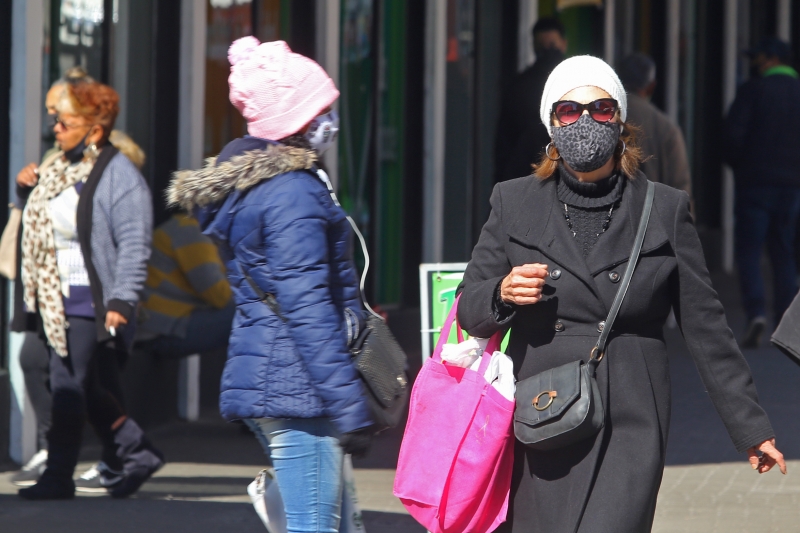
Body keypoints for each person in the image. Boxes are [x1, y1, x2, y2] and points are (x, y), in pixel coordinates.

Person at [458, 55, 785, 532]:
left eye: (602, 108)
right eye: (569, 110)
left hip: (630, 416)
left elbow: (707, 327)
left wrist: (750, 428)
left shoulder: (664, 209)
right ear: (551, 122)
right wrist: (503, 293)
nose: (586, 120)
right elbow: (469, 308)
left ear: (621, 120)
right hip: (541, 412)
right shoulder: (513, 201)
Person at [167, 37, 373, 532]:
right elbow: (306, 305)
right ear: (295, 121)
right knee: (316, 526)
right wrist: (348, 403)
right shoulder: (292, 194)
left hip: (281, 377)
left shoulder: (272, 186)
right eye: (321, 110)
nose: (332, 122)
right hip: (297, 387)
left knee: (337, 524)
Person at [16, 80, 164, 500]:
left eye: (64, 121)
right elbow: (46, 222)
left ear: (94, 130)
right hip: (52, 296)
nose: (56, 128)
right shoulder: (58, 167)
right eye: (54, 120)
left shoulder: (119, 176)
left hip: (87, 298)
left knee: (67, 383)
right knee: (87, 384)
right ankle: (137, 453)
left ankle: (58, 474)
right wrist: (26, 190)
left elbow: (135, 241)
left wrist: (121, 299)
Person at [724, 37, 800, 348]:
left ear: (770, 59)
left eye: (757, 58)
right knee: (783, 251)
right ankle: (786, 323)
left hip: (754, 186)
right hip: (791, 187)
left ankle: (756, 312)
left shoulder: (752, 91)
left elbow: (732, 138)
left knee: (750, 252)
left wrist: (741, 167)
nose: (753, 63)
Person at [136, 211, 234, 358]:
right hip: (158, 333)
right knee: (256, 314)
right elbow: (220, 296)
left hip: (171, 324)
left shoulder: (200, 230)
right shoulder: (190, 230)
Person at [495, 17, 568, 182]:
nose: (548, 52)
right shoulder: (576, 83)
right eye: (543, 46)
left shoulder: (519, 86)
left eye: (551, 46)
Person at [618, 53, 692, 196]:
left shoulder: (604, 119)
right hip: (654, 214)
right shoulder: (666, 128)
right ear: (651, 87)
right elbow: (681, 186)